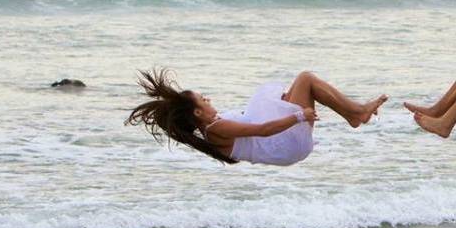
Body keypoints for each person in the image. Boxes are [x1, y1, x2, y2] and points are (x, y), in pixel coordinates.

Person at [127, 68, 387, 165]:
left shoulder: (215, 127)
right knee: (306, 78)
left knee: (299, 86)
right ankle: (356, 113)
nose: (208, 99)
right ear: (197, 112)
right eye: (203, 99)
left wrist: (287, 105)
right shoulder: (217, 129)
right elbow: (262, 131)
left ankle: (354, 114)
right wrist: (298, 117)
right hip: (284, 144)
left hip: (283, 147)